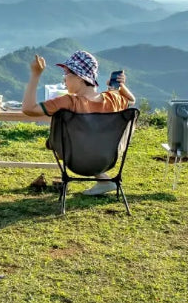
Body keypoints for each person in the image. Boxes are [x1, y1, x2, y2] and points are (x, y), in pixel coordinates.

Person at [22, 49, 136, 195]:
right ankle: (104, 180)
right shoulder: (113, 99)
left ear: (80, 78)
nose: (64, 79)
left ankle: (104, 181)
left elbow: (28, 108)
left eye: (67, 74)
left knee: (58, 141)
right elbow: (132, 101)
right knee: (92, 143)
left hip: (76, 160)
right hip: (107, 159)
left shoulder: (68, 102)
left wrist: (35, 74)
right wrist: (121, 87)